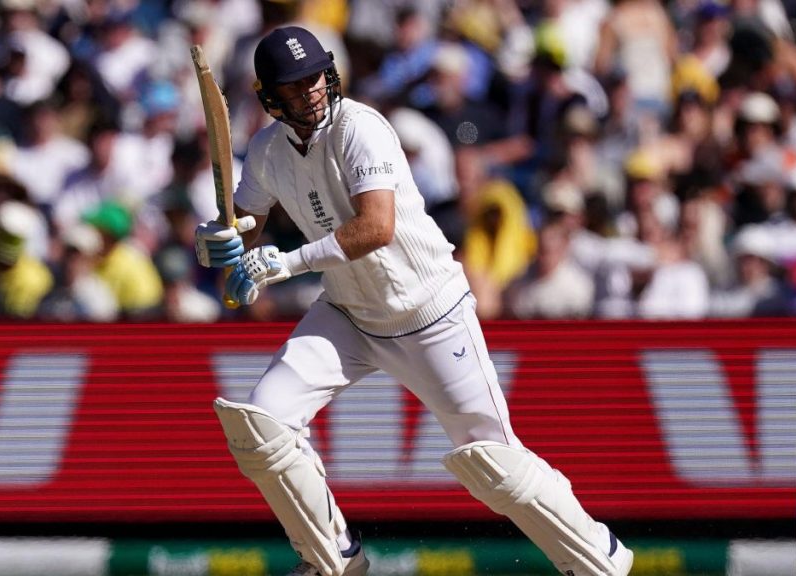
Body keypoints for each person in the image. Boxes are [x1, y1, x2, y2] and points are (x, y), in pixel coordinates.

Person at [194, 26, 634, 576]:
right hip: (349, 313)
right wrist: (224, 235)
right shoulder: (265, 150)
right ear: (270, 97)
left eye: (314, 78)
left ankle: (602, 561)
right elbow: (248, 219)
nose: (309, 91)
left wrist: (284, 263)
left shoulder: (362, 128)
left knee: (494, 463)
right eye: (295, 84)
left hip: (428, 311)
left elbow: (375, 228)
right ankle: (333, 555)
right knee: (261, 425)